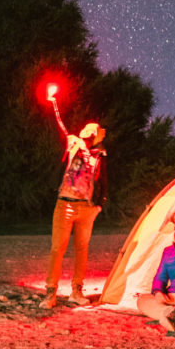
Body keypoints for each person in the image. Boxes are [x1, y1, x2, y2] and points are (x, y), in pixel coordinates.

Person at [40, 105, 107, 310]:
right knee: (57, 248)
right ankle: (50, 293)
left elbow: (103, 181)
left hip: (87, 208)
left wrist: (99, 205)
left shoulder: (99, 154)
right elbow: (61, 128)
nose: (91, 135)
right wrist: (54, 104)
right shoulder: (73, 146)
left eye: (94, 133)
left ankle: (76, 291)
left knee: (82, 250)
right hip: (65, 204)